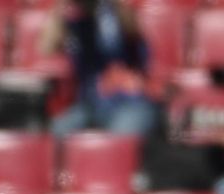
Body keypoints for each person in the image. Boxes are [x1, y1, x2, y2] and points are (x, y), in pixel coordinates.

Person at [40, 0, 160, 138]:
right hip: (90, 106)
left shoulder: (116, 13)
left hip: (131, 103)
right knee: (60, 129)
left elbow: (132, 29)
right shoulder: (75, 24)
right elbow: (47, 47)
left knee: (118, 141)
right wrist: (59, 9)